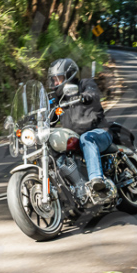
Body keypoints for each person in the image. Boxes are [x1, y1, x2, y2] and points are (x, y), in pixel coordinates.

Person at [47, 58, 112, 192]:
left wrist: (83, 96)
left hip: (98, 131)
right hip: (74, 137)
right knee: (52, 147)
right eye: (53, 79)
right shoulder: (58, 100)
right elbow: (50, 119)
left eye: (58, 78)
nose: (55, 83)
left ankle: (96, 179)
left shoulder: (85, 84)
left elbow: (92, 94)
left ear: (69, 76)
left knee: (86, 138)